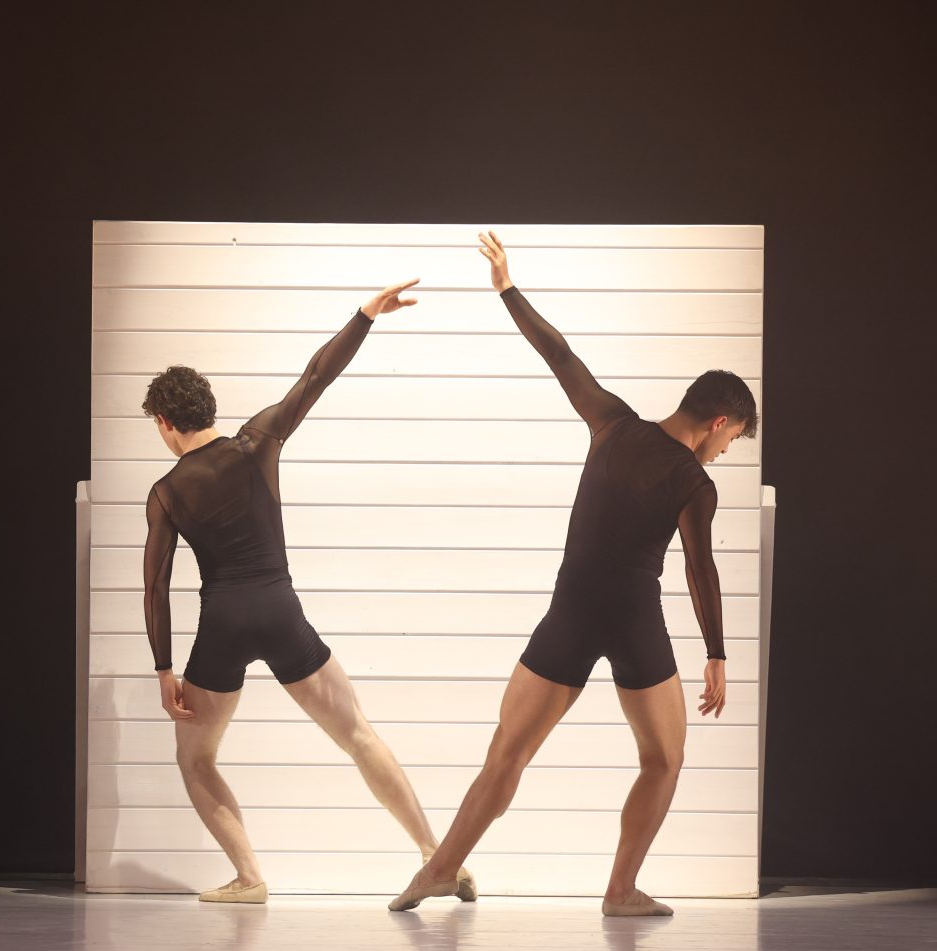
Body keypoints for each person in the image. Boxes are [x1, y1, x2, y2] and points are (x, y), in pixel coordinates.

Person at [389, 233, 758, 916]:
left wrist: (507, 289)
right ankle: (620, 890)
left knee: (506, 754)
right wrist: (716, 652)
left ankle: (437, 871)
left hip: (570, 613)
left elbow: (559, 355)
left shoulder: (610, 423)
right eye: (733, 439)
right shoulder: (693, 482)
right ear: (718, 422)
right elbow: (699, 568)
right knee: (664, 758)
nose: (726, 451)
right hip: (635, 621)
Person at [142, 278, 476, 904]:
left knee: (196, 759)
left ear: (164, 422)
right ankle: (437, 858)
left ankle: (249, 878)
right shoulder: (256, 441)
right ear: (208, 409)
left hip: (222, 624)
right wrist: (365, 314)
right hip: (279, 610)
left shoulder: (165, 492)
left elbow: (155, 585)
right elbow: (315, 377)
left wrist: (164, 669)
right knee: (358, 735)